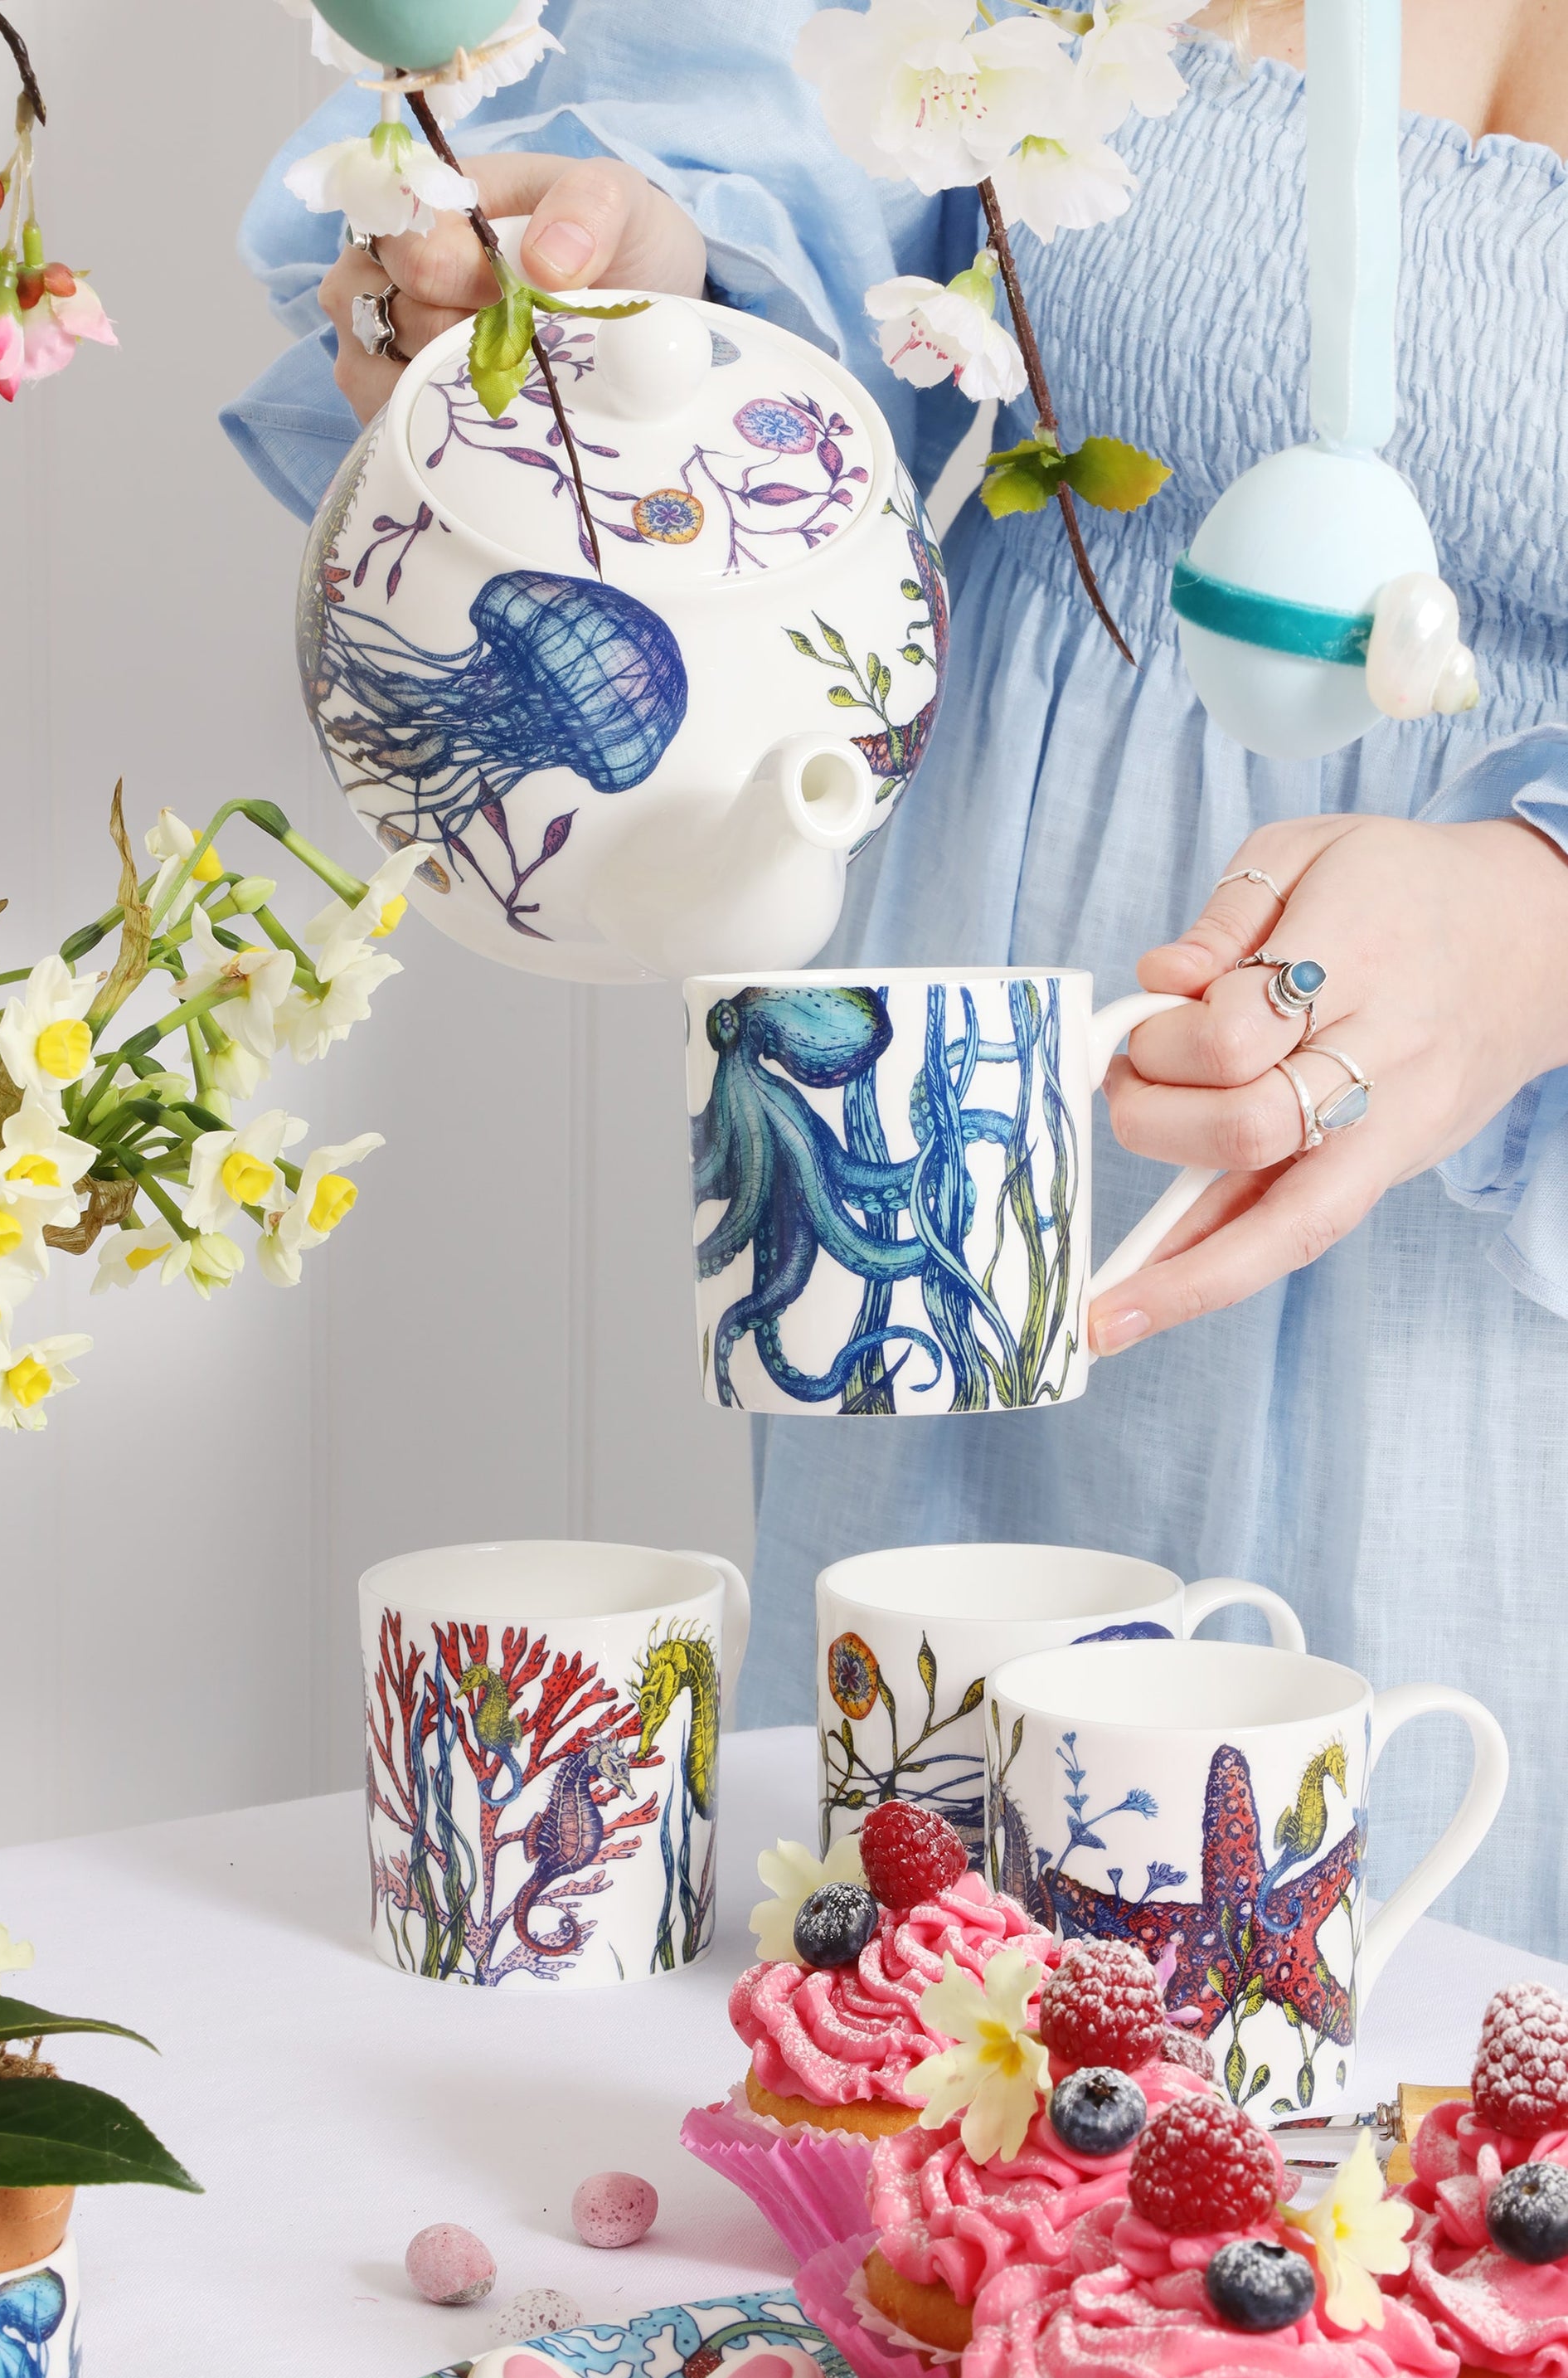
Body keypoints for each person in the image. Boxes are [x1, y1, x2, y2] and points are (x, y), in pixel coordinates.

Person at [226, 0, 1568, 1954]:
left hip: (1506, 1226)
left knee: (1455, 2118)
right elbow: (812, 195)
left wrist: (1535, 913)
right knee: (952, 2011)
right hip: (1011, 1086)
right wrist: (639, 300)